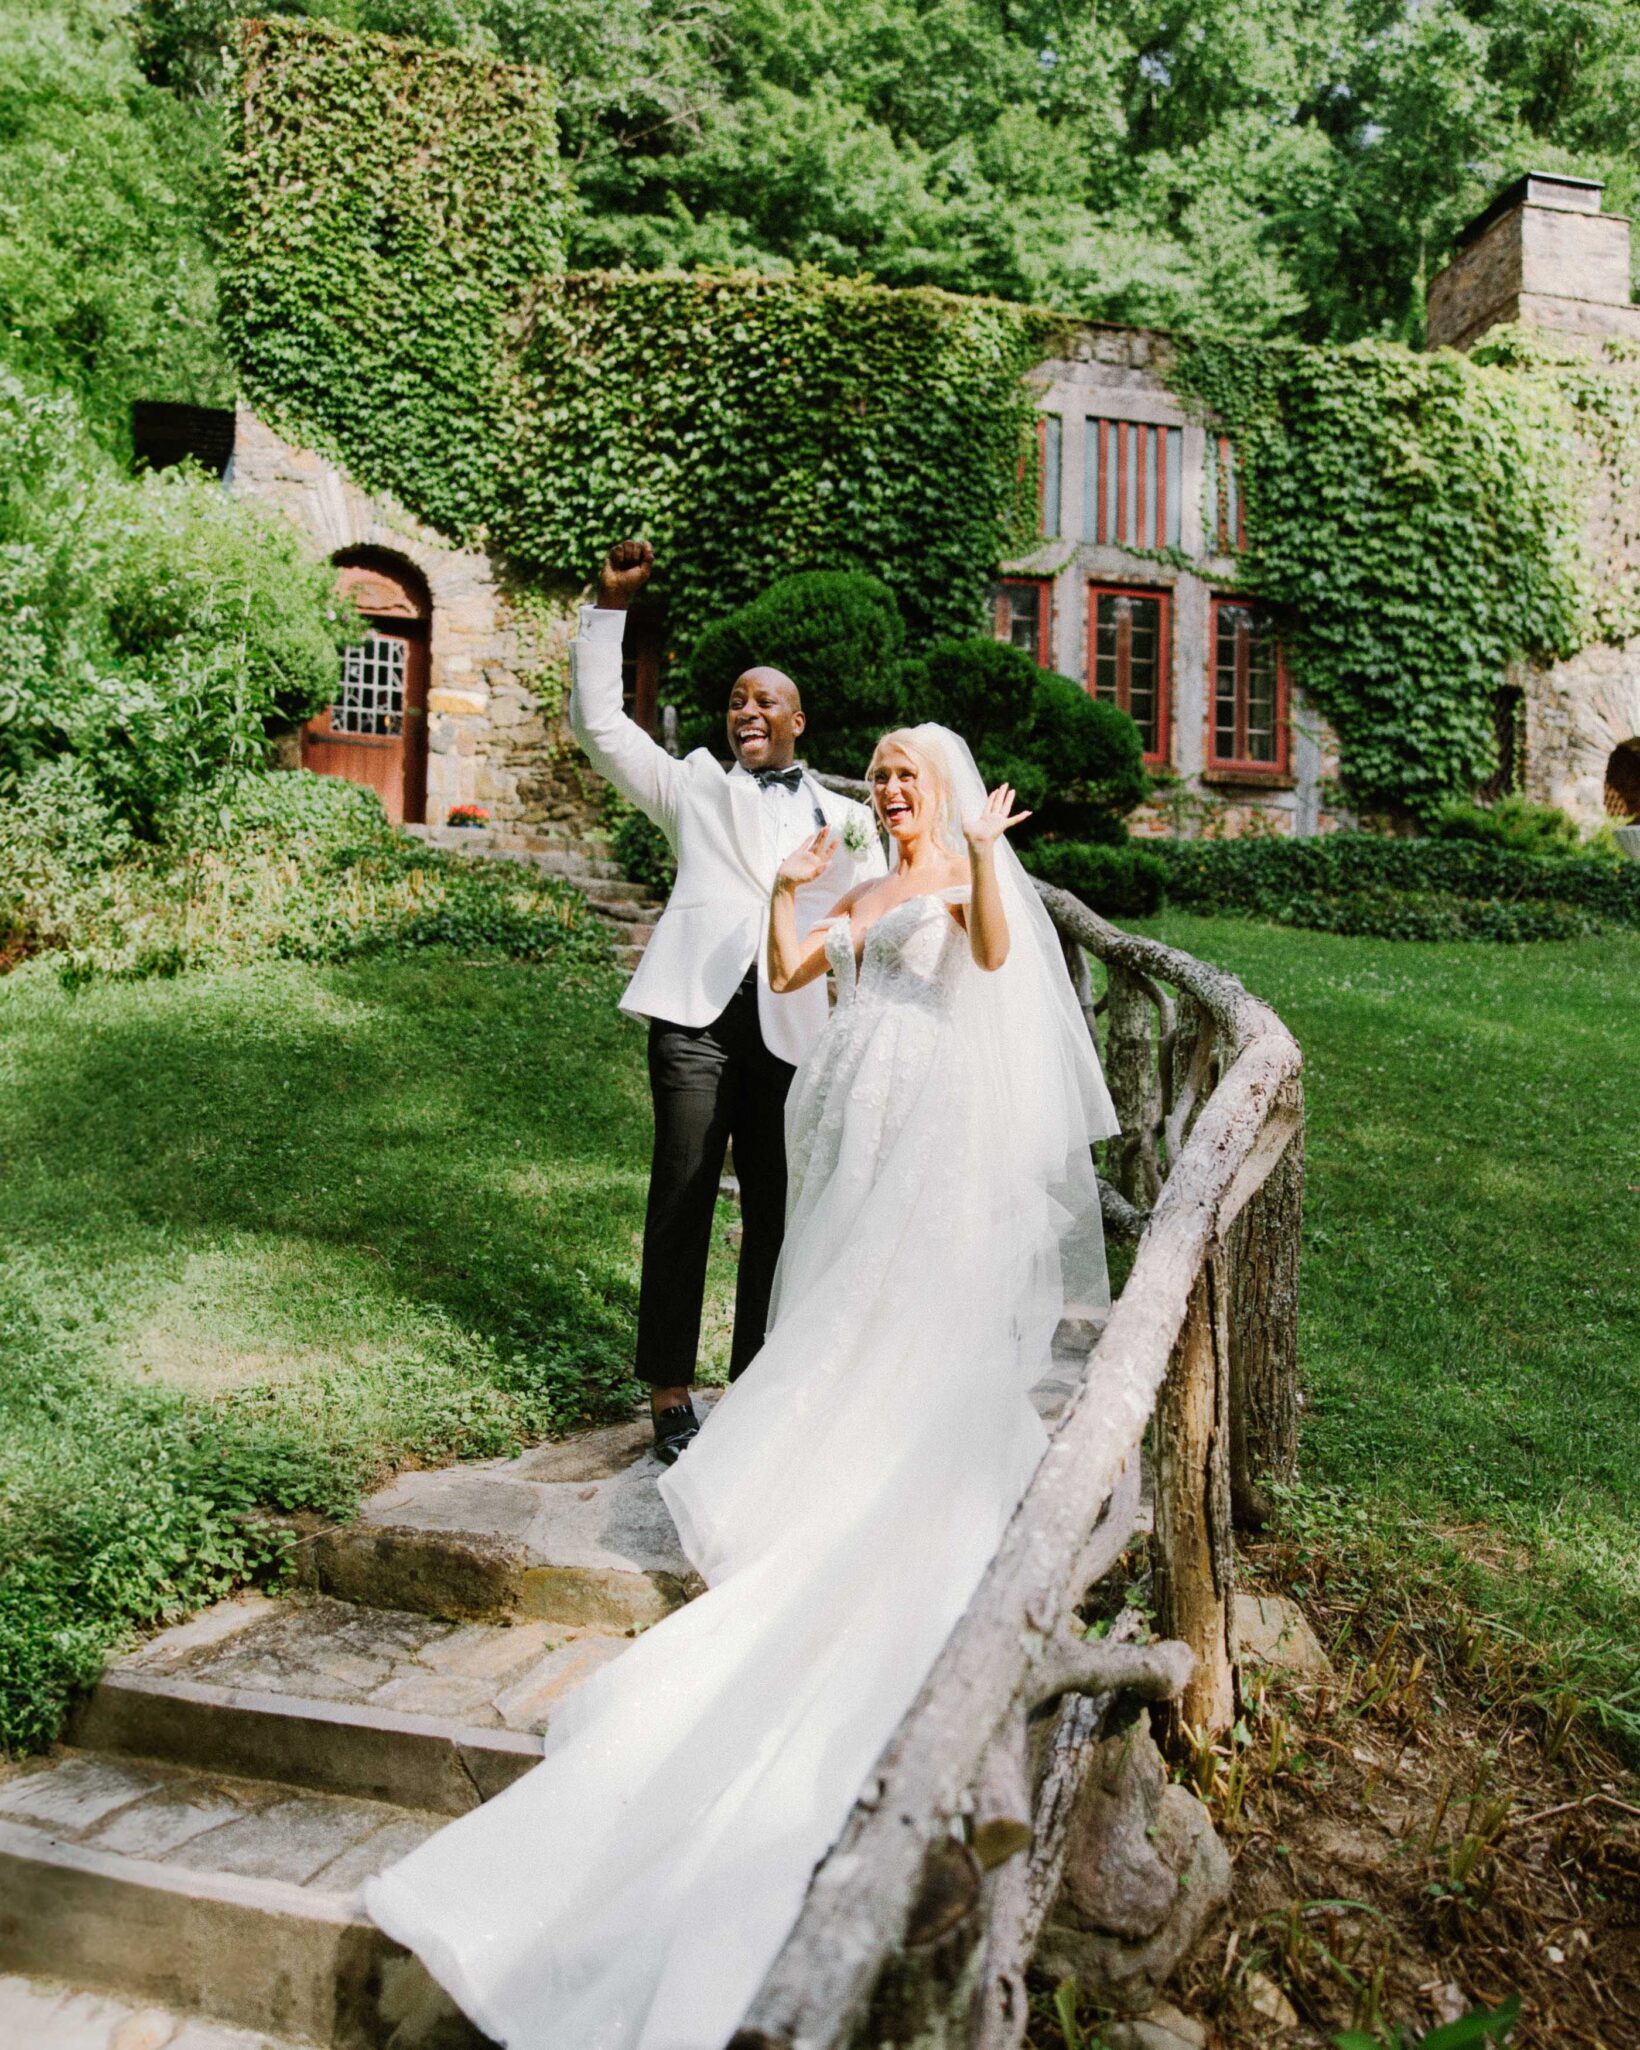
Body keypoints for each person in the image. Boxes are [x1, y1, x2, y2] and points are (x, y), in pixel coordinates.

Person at [364, 722, 1119, 2050]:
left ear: (940, 788)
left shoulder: (959, 873)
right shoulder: (864, 882)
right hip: (857, 1129)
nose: (890, 791)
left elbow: (998, 959)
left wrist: (989, 854)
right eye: (879, 774)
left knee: (908, 1322)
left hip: (939, 1131)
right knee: (835, 1316)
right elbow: (789, 974)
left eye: (908, 777)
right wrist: (788, 893)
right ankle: (825, 1468)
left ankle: (888, 1480)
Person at [569, 540, 884, 1462]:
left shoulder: (846, 818)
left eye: (765, 700)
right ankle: (670, 1389)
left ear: (797, 719)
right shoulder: (694, 786)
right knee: (682, 1195)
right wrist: (610, 609)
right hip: (695, 1021)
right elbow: (600, 724)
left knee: (778, 1211)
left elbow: (878, 915)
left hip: (794, 1030)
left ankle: (755, 1381)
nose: (747, 709)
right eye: (737, 699)